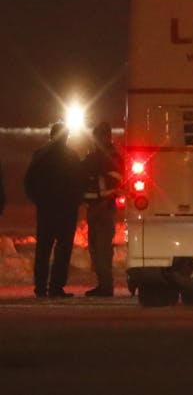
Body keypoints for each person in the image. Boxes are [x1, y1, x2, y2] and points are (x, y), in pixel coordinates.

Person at [24, 122, 84, 298]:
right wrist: (75, 202)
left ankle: (40, 286)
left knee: (43, 249)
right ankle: (56, 286)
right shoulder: (72, 157)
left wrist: (39, 201)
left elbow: (29, 182)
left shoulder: (39, 156)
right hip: (66, 211)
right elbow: (79, 183)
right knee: (62, 250)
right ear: (66, 136)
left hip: (46, 210)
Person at [82, 121, 124, 297]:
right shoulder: (95, 157)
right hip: (94, 207)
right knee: (95, 248)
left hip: (105, 207)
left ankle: (106, 286)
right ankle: (102, 284)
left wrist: (97, 170)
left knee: (103, 248)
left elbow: (116, 179)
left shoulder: (112, 157)